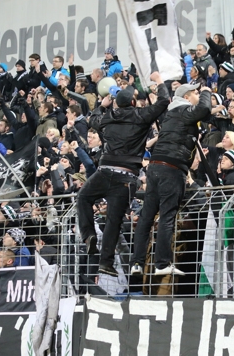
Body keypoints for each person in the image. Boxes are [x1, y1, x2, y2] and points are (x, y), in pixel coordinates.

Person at [77, 73, 169, 277]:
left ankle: (88, 235)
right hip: (126, 177)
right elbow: (164, 102)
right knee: (114, 221)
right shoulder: (141, 115)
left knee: (83, 197)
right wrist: (160, 82)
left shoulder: (108, 116)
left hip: (104, 171)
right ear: (133, 102)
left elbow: (91, 119)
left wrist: (103, 104)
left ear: (115, 103)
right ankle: (105, 262)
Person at [130, 82, 212, 277]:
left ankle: (137, 263)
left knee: (147, 216)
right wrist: (208, 92)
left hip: (156, 166)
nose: (198, 95)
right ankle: (162, 263)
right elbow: (204, 108)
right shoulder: (184, 110)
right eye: (196, 93)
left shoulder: (171, 114)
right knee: (167, 215)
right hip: (173, 168)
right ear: (187, 96)